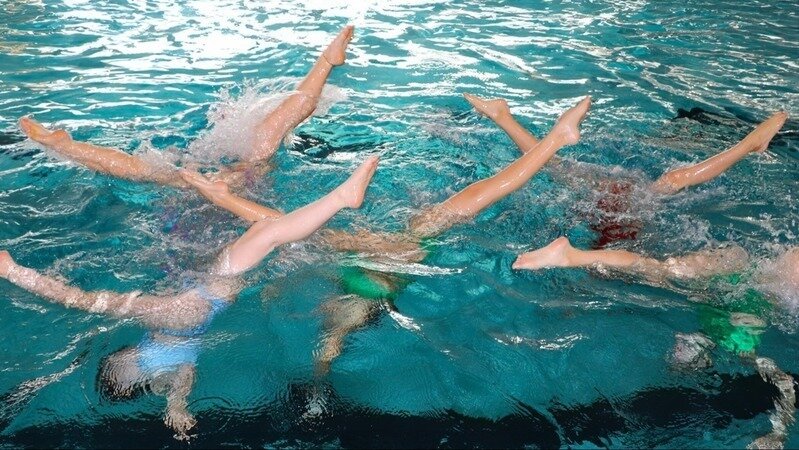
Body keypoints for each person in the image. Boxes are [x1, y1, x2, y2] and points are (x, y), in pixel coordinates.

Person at [179, 96, 592, 384]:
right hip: (390, 258)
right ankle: (554, 139)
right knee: (293, 232)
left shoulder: (352, 296)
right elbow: (328, 343)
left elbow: (326, 342)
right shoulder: (361, 296)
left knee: (294, 233)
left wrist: (317, 379)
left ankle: (554, 139)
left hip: (384, 259)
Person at [0, 155, 379, 438]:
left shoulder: (174, 368)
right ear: (123, 365)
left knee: (268, 230)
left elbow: (184, 379)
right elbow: (73, 297)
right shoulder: (155, 324)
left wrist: (177, 409)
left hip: (209, 307)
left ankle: (333, 203)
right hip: (187, 307)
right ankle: (342, 198)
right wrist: (13, 271)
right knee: (269, 234)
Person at [513, 238, 797, 449]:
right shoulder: (743, 345)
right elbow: (783, 382)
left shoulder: (739, 318)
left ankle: (573, 256)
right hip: (748, 296)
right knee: (659, 274)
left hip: (736, 261)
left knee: (657, 269)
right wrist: (778, 433)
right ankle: (570, 257)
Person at [16, 25, 356, 188]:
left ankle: (67, 146)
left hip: (197, 187)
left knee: (142, 169)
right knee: (265, 142)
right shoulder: (248, 167)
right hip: (226, 191)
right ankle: (325, 62)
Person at [462, 93, 788, 247]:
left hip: (613, 205)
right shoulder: (620, 216)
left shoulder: (610, 216)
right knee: (674, 179)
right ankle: (750, 144)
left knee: (552, 165)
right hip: (620, 204)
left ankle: (503, 117)